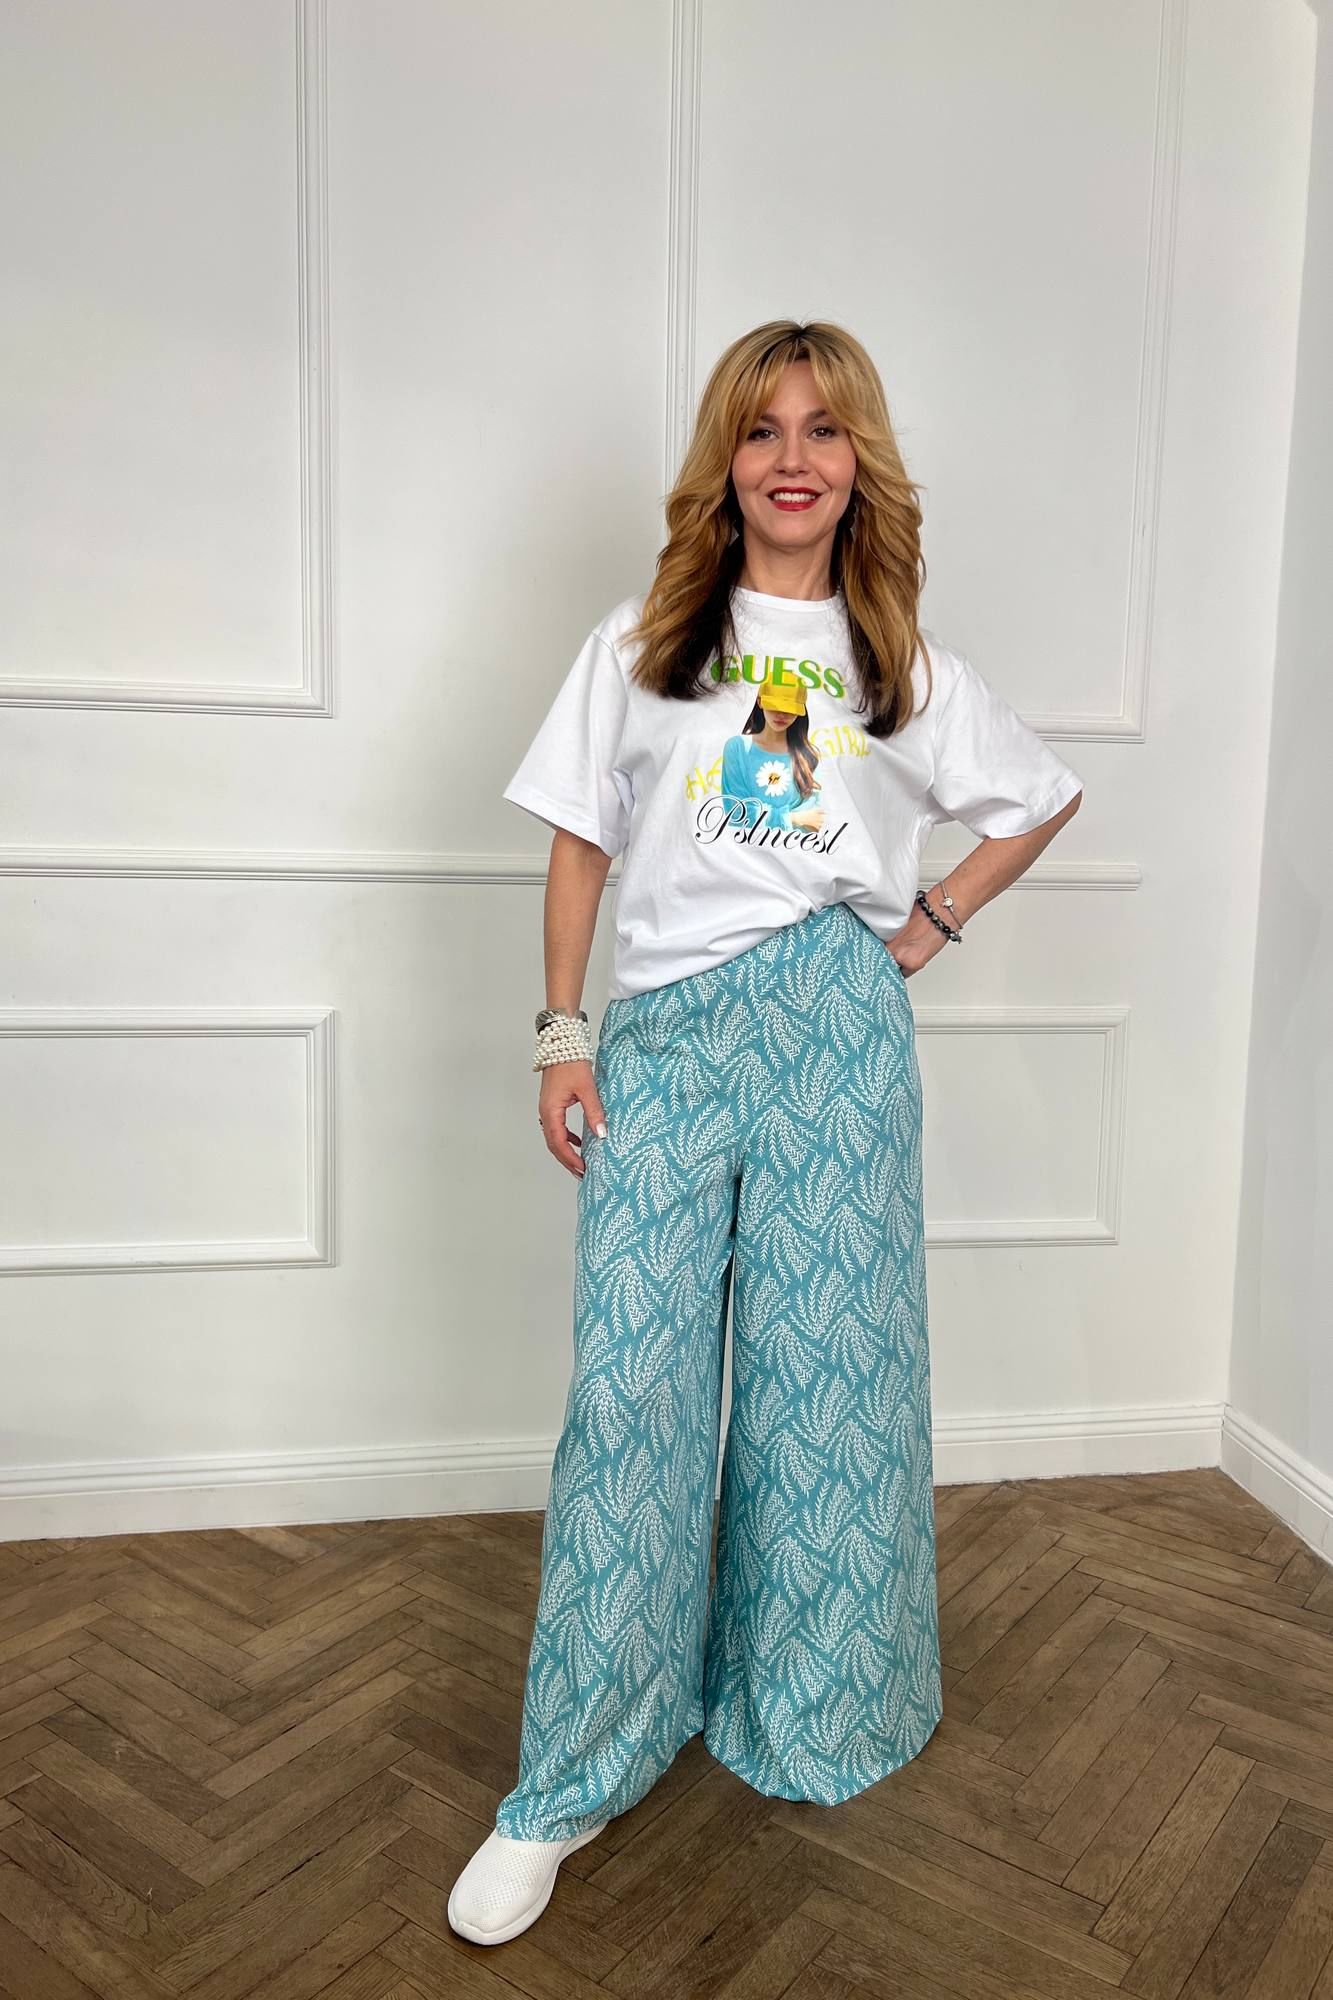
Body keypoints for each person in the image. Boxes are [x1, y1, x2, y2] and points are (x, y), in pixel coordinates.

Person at [448, 319, 1083, 1946]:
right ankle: (572, 1773)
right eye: (760, 429)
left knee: (826, 1392)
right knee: (631, 1391)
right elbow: (581, 843)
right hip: (664, 1042)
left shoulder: (898, 664)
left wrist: (927, 923)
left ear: (859, 463)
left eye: (822, 429)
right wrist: (561, 1031)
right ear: (723, 461)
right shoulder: (643, 643)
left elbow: (1035, 798)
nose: (791, 457)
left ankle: (818, 1705)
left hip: (832, 1031)